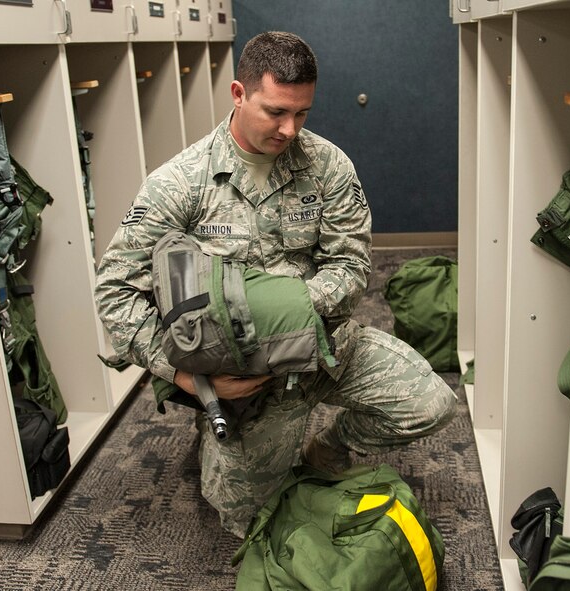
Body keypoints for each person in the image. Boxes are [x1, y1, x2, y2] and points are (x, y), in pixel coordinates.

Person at [94, 31, 457, 537]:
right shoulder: (181, 182)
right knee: (246, 522)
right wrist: (191, 380)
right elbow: (115, 290)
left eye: (302, 113)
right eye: (275, 112)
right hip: (244, 379)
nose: (290, 129)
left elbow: (351, 267)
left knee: (432, 406)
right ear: (239, 94)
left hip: (325, 349)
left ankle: (326, 447)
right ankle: (216, 429)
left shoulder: (328, 165)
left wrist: (284, 318)